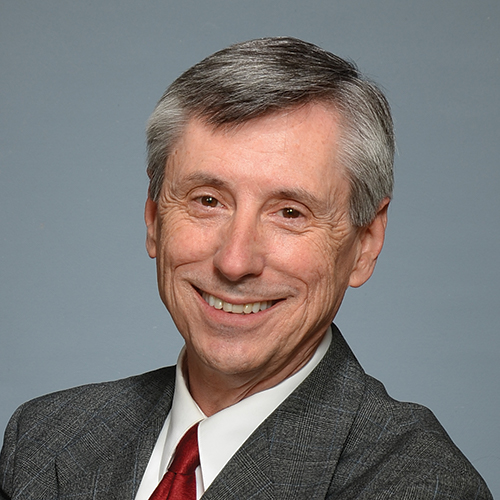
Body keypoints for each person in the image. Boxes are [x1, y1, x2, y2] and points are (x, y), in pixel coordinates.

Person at [0, 37, 492, 500]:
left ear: (366, 242)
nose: (235, 261)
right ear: (153, 218)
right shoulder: (45, 438)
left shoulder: (420, 483)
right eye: (208, 200)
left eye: (290, 212)